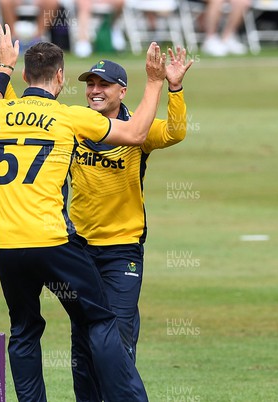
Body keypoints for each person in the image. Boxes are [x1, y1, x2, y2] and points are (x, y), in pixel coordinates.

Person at [0, 23, 167, 401]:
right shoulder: (68, 117)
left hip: (7, 246)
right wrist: (154, 82)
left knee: (24, 330)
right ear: (61, 76)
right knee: (100, 319)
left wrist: (1, 67)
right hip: (53, 242)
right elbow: (136, 133)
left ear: (26, 74)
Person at [69, 54, 192, 401]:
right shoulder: (75, 124)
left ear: (122, 91)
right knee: (83, 339)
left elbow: (175, 131)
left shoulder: (138, 126)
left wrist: (175, 87)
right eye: (90, 84)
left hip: (122, 249)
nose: (94, 91)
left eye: (103, 85)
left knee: (117, 336)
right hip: (78, 247)